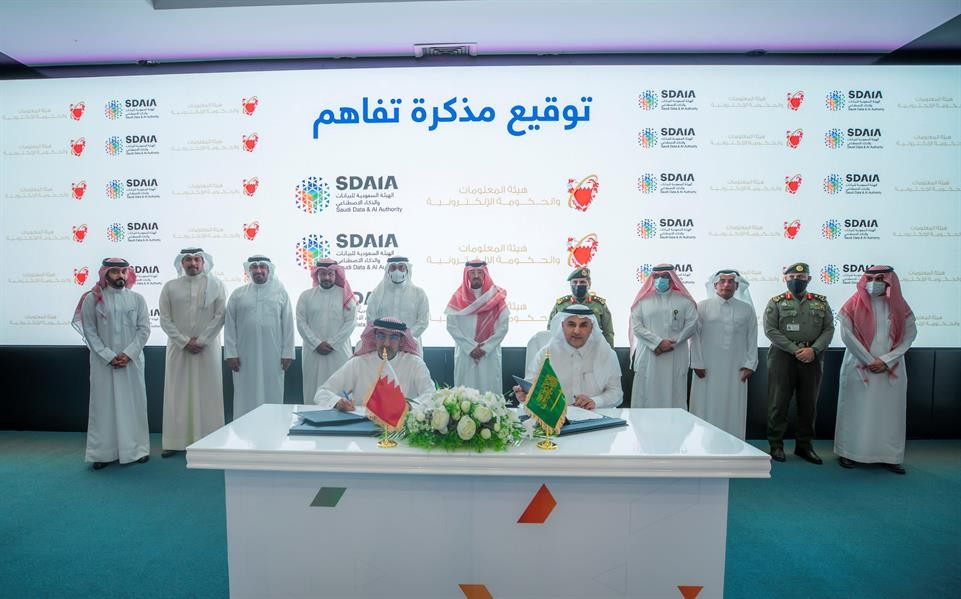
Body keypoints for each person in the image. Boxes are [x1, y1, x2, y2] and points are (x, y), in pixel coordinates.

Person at [835, 266, 916, 474]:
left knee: (890, 414)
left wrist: (886, 360)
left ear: (889, 281)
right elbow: (846, 335)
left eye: (879, 278)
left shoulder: (899, 306)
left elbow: (909, 336)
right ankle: (849, 452)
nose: (874, 283)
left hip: (891, 369)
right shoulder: (853, 304)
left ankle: (889, 456)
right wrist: (869, 360)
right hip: (859, 366)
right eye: (870, 278)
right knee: (855, 411)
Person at [73, 258, 151, 470]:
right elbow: (89, 331)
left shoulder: (137, 299)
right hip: (103, 363)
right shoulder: (92, 299)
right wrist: (108, 355)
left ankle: (137, 450)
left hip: (131, 362)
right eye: (115, 271)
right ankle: (103, 453)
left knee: (133, 405)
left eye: (123, 271)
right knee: (103, 407)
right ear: (105, 274)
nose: (120, 275)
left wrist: (128, 354)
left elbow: (144, 329)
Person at [764, 262, 834, 464]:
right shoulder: (776, 302)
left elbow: (829, 329)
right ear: (785, 279)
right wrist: (795, 350)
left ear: (808, 279)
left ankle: (804, 446)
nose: (796, 280)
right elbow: (770, 330)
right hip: (782, 357)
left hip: (812, 357)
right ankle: (776, 445)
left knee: (808, 404)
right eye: (792, 277)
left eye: (801, 278)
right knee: (778, 403)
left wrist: (814, 350)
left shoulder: (820, 302)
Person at [159, 248, 227, 458]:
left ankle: (211, 440)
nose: (193, 263)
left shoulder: (216, 285)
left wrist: (202, 340)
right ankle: (174, 441)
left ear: (204, 262)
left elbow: (220, 315)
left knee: (209, 392)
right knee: (177, 393)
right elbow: (165, 319)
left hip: (207, 348)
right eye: (188, 260)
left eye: (197, 259)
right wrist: (184, 341)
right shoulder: (170, 287)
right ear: (181, 263)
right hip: (178, 348)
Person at [689, 270, 758, 439]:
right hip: (707, 367)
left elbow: (752, 337)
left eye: (730, 281)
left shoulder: (746, 309)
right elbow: (694, 337)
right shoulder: (702, 306)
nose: (726, 285)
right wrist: (697, 362)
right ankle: (702, 444)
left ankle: (734, 445)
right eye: (722, 281)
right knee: (706, 405)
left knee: (733, 405)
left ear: (737, 286)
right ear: (715, 285)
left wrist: (750, 365)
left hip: (737, 368)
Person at [224, 256, 294, 419]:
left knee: (272, 391)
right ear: (249, 271)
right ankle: (243, 429)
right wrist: (231, 353)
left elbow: (288, 325)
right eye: (254, 267)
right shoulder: (238, 294)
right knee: (245, 393)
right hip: (244, 355)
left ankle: (273, 427)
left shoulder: (281, 293)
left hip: (273, 355)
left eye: (262, 267)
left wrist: (288, 353)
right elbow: (229, 326)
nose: (258, 270)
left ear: (269, 270)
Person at [516, 304, 623, 410]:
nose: (577, 331)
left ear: (591, 328)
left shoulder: (607, 354)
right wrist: (524, 395)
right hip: (554, 416)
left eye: (583, 325)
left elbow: (617, 393)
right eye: (571, 324)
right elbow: (530, 386)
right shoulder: (545, 354)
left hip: (597, 415)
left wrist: (595, 401)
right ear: (562, 326)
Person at [314, 318, 434, 410]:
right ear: (374, 338)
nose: (386, 343)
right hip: (362, 426)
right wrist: (337, 402)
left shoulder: (414, 363)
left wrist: (410, 406)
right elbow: (322, 392)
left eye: (393, 337)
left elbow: (431, 395)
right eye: (381, 336)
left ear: (401, 340)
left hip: (401, 428)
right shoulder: (359, 363)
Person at [629, 264, 698, 409]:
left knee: (674, 395)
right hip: (649, 354)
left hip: (675, 354)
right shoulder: (642, 301)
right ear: (652, 278)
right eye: (657, 276)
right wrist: (658, 342)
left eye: (665, 276)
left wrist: (673, 342)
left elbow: (692, 324)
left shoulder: (684, 301)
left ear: (672, 278)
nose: (661, 279)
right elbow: (636, 327)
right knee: (646, 394)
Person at [296, 258, 357, 405]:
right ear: (317, 275)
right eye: (323, 274)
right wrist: (316, 343)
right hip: (313, 353)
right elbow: (301, 322)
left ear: (336, 275)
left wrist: (332, 343)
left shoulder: (345, 296)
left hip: (338, 352)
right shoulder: (306, 296)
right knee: (312, 390)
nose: (327, 278)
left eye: (331, 274)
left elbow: (351, 322)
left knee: (340, 388)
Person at [445, 260, 510, 394]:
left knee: (490, 394)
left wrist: (485, 348)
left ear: (485, 274)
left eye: (479, 272)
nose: (476, 276)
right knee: (464, 396)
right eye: (472, 273)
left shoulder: (495, 296)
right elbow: (451, 326)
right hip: (466, 355)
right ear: (467, 275)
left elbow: (503, 326)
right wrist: (470, 348)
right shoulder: (458, 297)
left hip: (489, 355)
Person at [365, 256, 429, 351]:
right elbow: (371, 320)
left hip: (411, 344)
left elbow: (423, 322)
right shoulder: (377, 294)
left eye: (401, 267)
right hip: (384, 345)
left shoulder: (418, 293)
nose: (397, 271)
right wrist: (386, 338)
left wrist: (405, 337)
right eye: (393, 268)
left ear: (407, 270)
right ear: (388, 270)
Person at [548, 267, 615, 348]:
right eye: (575, 282)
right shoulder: (561, 305)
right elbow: (550, 331)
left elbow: (608, 333)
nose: (578, 285)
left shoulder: (599, 305)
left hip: (593, 351)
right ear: (570, 284)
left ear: (589, 284)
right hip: (566, 351)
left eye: (582, 282)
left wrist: (610, 352)